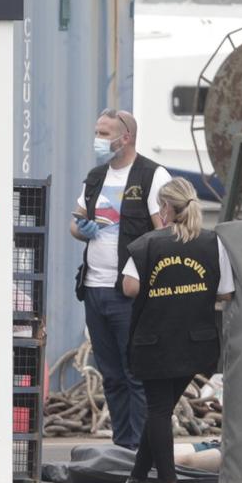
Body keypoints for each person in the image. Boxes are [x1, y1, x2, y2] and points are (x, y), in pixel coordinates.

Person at [120, 179, 233, 483]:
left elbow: (129, 286)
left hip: (154, 340)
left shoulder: (148, 244)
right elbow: (225, 292)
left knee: (157, 410)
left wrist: (162, 289)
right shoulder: (214, 243)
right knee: (161, 408)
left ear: (166, 208)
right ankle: (137, 478)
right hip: (195, 342)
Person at [71, 108, 169, 452]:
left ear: (124, 137)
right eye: (97, 132)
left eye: (103, 133)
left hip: (130, 293)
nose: (98, 140)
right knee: (111, 376)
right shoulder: (96, 177)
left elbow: (164, 233)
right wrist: (82, 230)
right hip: (94, 290)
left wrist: (147, 279)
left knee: (135, 374)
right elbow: (75, 222)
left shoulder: (152, 175)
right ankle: (122, 445)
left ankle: (143, 452)